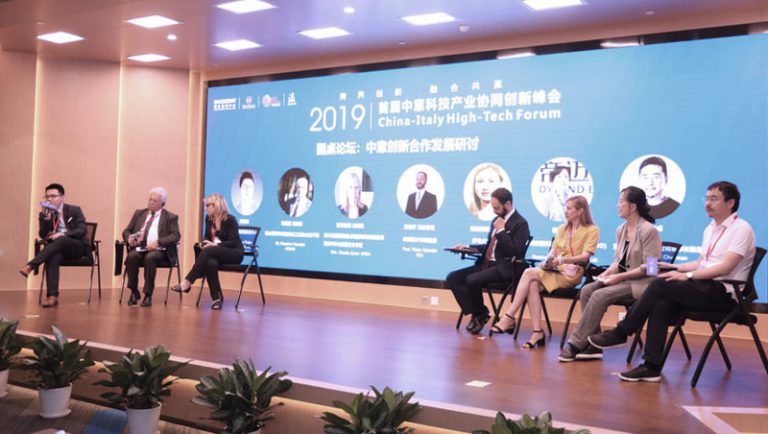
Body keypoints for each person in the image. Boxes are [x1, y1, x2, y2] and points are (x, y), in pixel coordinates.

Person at [589, 181, 755, 382]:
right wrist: (675, 267)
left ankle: (620, 332)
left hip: (720, 292)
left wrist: (686, 276)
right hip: (691, 286)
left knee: (654, 285)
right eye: (706, 198)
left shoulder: (741, 229)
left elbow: (723, 268)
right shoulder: (622, 230)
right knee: (658, 303)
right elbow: (702, 263)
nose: (707, 203)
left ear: (730, 202)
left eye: (714, 199)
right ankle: (651, 367)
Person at [558, 186, 660, 362]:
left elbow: (651, 268)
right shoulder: (621, 229)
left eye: (621, 201)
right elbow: (617, 262)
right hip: (622, 280)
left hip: (641, 284)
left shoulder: (649, 230)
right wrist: (606, 275)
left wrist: (618, 277)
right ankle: (593, 346)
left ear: (633, 206)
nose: (618, 205)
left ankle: (575, 343)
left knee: (600, 295)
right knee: (587, 290)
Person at [492, 195, 599, 349]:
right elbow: (553, 252)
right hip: (554, 271)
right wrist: (547, 261)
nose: (565, 211)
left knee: (529, 273)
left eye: (569, 208)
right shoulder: (563, 229)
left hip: (571, 274)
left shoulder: (592, 230)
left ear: (580, 211)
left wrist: (562, 261)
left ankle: (509, 317)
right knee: (532, 285)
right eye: (565, 208)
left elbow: (585, 257)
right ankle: (537, 332)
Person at [447, 188, 530, 334]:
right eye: (493, 207)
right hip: (486, 264)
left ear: (508, 204)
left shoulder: (520, 223)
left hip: (504, 268)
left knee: (472, 280)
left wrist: (501, 231)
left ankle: (479, 315)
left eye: (496, 207)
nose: (494, 210)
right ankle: (479, 312)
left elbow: (516, 251)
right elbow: (490, 246)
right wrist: (466, 247)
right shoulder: (496, 220)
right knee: (453, 278)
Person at [19, 183, 90, 308]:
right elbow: (43, 235)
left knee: (62, 239)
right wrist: (46, 220)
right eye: (47, 197)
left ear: (62, 197)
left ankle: (31, 265)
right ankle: (52, 296)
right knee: (53, 257)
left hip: (77, 246)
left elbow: (82, 229)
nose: (49, 199)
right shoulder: (44, 213)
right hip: (57, 248)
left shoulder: (74, 210)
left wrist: (64, 234)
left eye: (53, 196)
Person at [171, 193, 244, 310]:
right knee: (211, 263)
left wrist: (216, 245)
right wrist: (204, 243)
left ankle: (188, 281)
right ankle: (216, 299)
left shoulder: (230, 219)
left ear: (216, 205)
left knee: (210, 250)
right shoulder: (209, 219)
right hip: (215, 253)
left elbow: (234, 241)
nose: (205, 208)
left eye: (207, 205)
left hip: (234, 253)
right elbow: (207, 236)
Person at [121, 187, 181, 307]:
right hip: (140, 247)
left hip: (160, 250)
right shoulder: (139, 213)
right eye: (150, 200)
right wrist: (129, 238)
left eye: (155, 201)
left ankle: (148, 295)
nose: (151, 203)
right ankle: (134, 291)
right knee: (132, 257)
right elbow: (127, 231)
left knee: (150, 258)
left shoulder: (170, 217)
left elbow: (176, 235)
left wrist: (158, 242)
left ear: (162, 203)